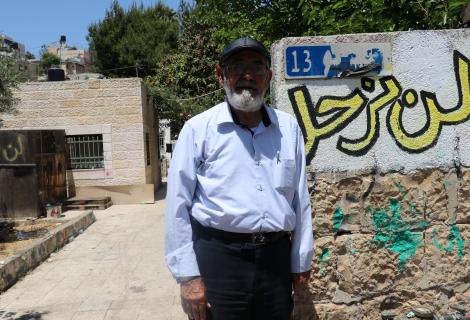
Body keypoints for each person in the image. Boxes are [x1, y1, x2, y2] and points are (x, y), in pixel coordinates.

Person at [165, 37, 314, 320]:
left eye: (257, 67)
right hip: (219, 260)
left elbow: (300, 198)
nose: (248, 75)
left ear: (268, 77)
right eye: (237, 66)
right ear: (221, 75)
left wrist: (300, 259)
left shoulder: (288, 128)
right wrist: (188, 277)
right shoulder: (198, 130)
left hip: (275, 260)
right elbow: (177, 207)